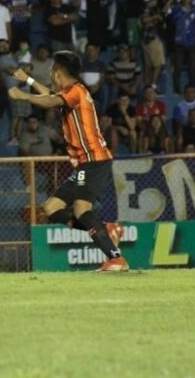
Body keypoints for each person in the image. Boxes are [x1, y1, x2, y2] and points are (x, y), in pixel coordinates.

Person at [10, 51, 129, 272]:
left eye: (51, 69)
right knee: (52, 208)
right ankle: (106, 230)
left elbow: (50, 100)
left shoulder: (75, 91)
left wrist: (23, 95)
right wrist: (28, 80)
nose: (50, 74)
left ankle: (116, 259)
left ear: (57, 72)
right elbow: (51, 95)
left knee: (81, 210)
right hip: (84, 163)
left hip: (94, 160)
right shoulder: (71, 92)